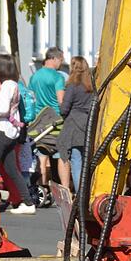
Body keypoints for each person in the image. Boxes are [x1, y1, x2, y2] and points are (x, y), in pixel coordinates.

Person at [0, 54, 36, 214]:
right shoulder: (14, 84)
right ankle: (27, 202)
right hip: (11, 131)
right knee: (12, 169)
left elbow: (3, 109)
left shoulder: (6, 85)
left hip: (2, 129)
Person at [30, 47, 67, 188]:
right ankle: (65, 188)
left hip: (39, 120)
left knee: (42, 155)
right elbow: (61, 100)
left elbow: (31, 97)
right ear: (54, 58)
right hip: (56, 120)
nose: (61, 64)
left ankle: (42, 187)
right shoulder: (58, 77)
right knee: (61, 155)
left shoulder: (35, 76)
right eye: (61, 60)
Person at [58, 56, 95, 192]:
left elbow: (65, 108)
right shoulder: (91, 86)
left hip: (73, 125)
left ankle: (80, 193)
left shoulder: (72, 86)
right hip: (88, 124)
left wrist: (62, 111)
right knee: (86, 161)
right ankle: (87, 190)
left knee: (76, 160)